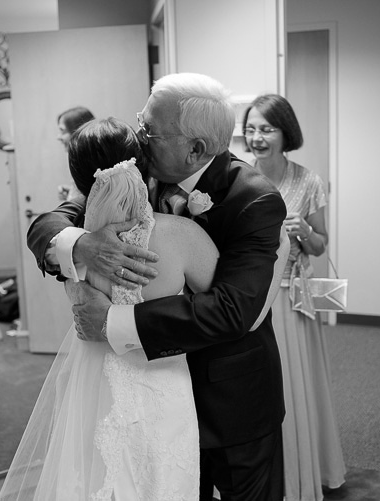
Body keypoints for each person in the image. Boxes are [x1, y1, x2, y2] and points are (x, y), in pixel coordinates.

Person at [26, 73, 290, 500]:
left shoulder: (254, 200)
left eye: (149, 129)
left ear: (195, 150)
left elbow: (231, 311)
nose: (138, 136)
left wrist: (113, 322)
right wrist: (84, 244)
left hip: (230, 400)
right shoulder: (137, 168)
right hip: (152, 407)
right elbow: (48, 223)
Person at [0, 117, 220, 500]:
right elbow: (228, 304)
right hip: (161, 384)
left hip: (93, 384)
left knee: (93, 478)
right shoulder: (181, 236)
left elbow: (47, 232)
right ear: (143, 163)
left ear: (79, 181)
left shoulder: (74, 246)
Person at [243, 94, 346, 500]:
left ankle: (300, 473)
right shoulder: (238, 176)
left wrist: (303, 228)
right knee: (255, 391)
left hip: (291, 299)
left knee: (294, 387)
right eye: (250, 129)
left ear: (286, 132)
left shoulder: (308, 181)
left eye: (266, 129)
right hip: (250, 297)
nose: (256, 137)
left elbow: (321, 246)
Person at [56, 106, 95, 201]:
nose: (58, 137)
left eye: (62, 131)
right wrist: (73, 192)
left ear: (77, 131)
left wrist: (74, 197)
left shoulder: (88, 164)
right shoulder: (83, 159)